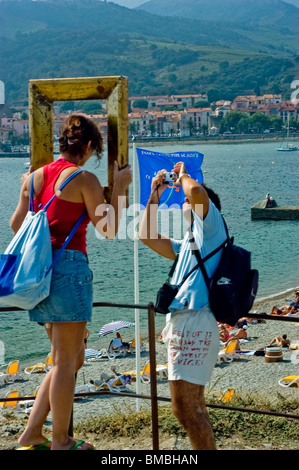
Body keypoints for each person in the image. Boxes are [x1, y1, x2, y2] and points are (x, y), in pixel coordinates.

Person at [13, 114, 132, 451]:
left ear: (60, 143)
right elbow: (107, 230)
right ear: (91, 146)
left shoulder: (32, 178)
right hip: (68, 270)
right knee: (67, 361)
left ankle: (32, 433)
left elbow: (16, 225)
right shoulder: (84, 179)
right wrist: (120, 188)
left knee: (69, 358)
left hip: (37, 274)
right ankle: (61, 440)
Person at [139, 161, 227, 451]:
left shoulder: (211, 226)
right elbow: (146, 236)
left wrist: (184, 176)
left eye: (186, 200)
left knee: (186, 409)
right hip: (186, 323)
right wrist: (154, 195)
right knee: (192, 408)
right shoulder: (191, 243)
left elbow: (199, 192)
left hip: (194, 321)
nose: (183, 202)